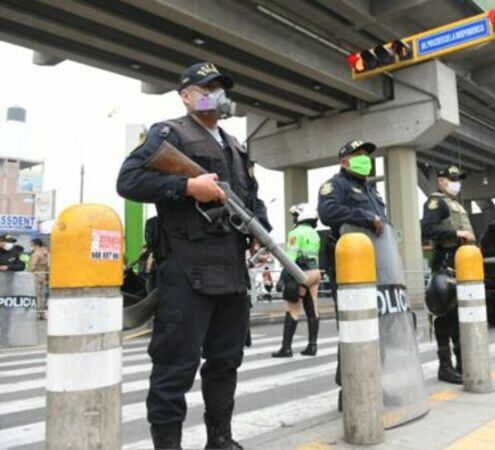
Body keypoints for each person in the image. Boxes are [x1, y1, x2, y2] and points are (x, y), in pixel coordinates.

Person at [117, 62, 270, 450]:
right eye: (206, 88)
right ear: (185, 96)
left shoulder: (235, 145)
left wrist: (259, 234)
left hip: (232, 271)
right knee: (175, 368)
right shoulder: (169, 133)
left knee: (226, 361)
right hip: (187, 268)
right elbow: (129, 181)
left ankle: (220, 439)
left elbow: (251, 199)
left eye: (220, 88)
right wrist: (187, 186)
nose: (217, 95)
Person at [317, 139, 386, 409]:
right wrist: (365, 217)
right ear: (344, 161)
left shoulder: (371, 190)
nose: (365, 160)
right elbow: (328, 211)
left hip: (375, 265)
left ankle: (369, 381)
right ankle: (348, 388)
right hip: (349, 271)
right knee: (353, 325)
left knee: (375, 325)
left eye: (367, 156)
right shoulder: (336, 185)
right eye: (358, 155)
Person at [420, 165, 474, 384]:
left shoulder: (456, 205)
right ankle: (445, 367)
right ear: (441, 181)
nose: (456, 183)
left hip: (462, 263)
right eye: (452, 179)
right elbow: (428, 229)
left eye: (458, 179)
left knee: (460, 317)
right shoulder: (436, 202)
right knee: (445, 316)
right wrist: (456, 233)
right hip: (446, 263)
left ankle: (462, 363)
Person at [272, 203, 322, 358]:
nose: (293, 218)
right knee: (312, 309)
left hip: (300, 272)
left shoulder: (296, 232)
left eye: (295, 215)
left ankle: (286, 348)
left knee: (293, 310)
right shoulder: (315, 233)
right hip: (315, 271)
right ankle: (312, 346)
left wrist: (281, 279)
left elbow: (290, 258)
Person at [28, 238, 49, 320]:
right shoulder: (45, 253)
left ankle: (38, 314)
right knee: (42, 295)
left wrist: (29, 270)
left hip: (36, 275)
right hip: (43, 275)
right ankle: (42, 313)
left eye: (31, 245)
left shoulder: (36, 254)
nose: (31, 247)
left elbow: (32, 266)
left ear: (36, 245)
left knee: (37, 295)